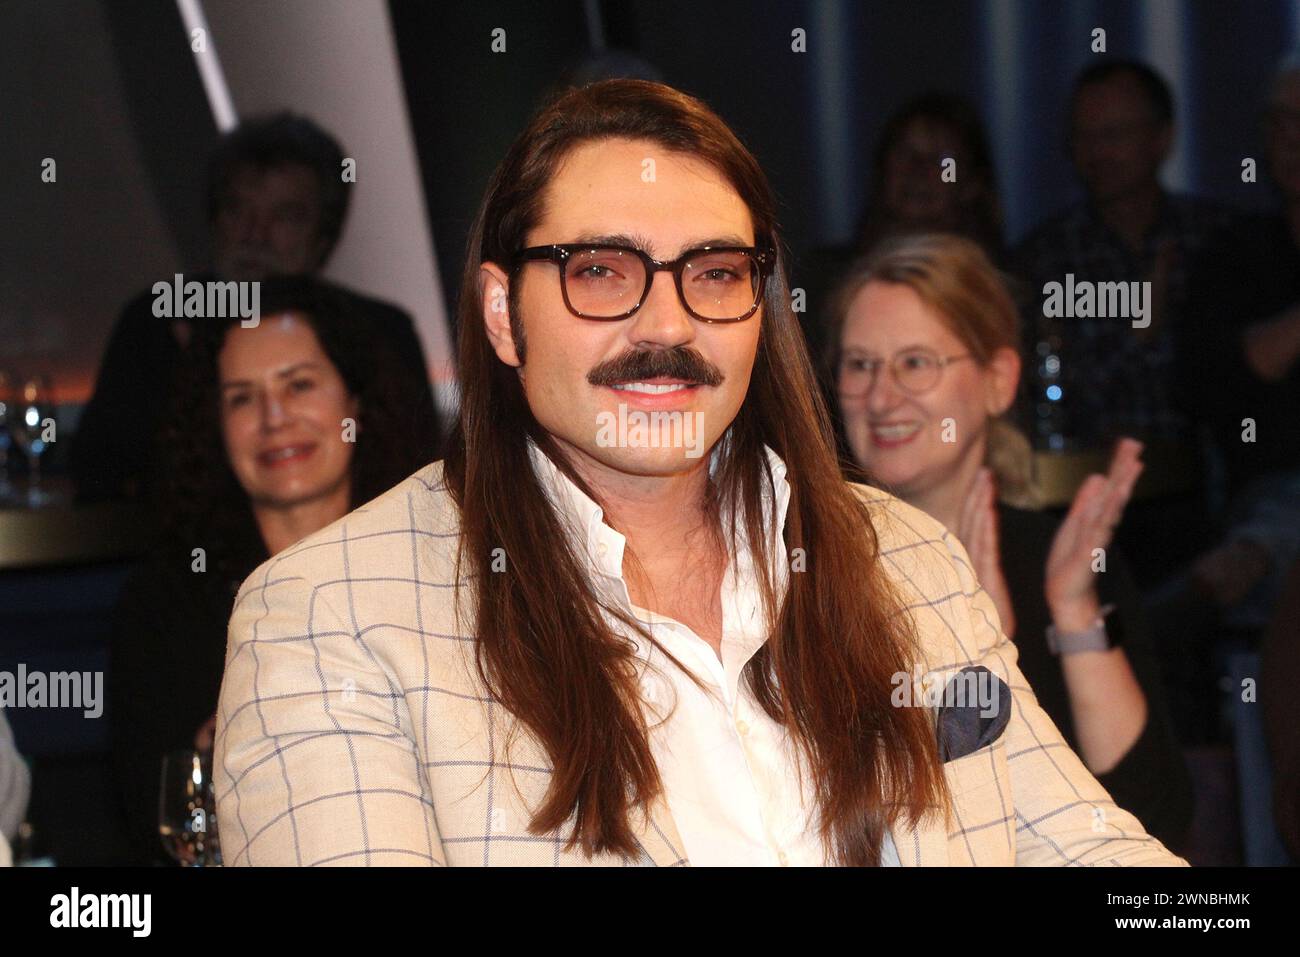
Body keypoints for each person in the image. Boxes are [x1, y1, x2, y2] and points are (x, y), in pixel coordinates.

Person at [215, 79, 1185, 867]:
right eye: (601, 270)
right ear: (503, 313)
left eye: (714, 274)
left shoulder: (903, 557)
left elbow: (1081, 848)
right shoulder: (328, 613)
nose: (668, 326)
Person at [827, 233, 1194, 852]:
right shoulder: (809, 561)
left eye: (915, 363)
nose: (882, 398)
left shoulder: (1058, 558)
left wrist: (1073, 615)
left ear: (998, 380)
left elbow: (1148, 822)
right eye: (860, 365)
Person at [110, 277, 437, 865]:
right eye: (242, 397)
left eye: (300, 385)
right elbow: (153, 820)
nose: (274, 417)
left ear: (355, 402)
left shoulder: (442, 563)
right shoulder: (165, 601)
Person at [72, 112, 439, 504]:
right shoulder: (157, 319)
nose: (254, 234)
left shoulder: (379, 331)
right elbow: (97, 472)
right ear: (215, 222)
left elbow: (416, 482)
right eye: (238, 211)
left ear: (323, 238)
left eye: (284, 216)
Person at [1011, 61, 1236, 583]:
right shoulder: (1045, 257)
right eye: (1083, 138)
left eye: (1114, 134)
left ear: (1163, 139)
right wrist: (1137, 336)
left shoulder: (1216, 240)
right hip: (1083, 502)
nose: (1097, 153)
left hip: (1210, 493)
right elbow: (1043, 396)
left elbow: (1233, 384)